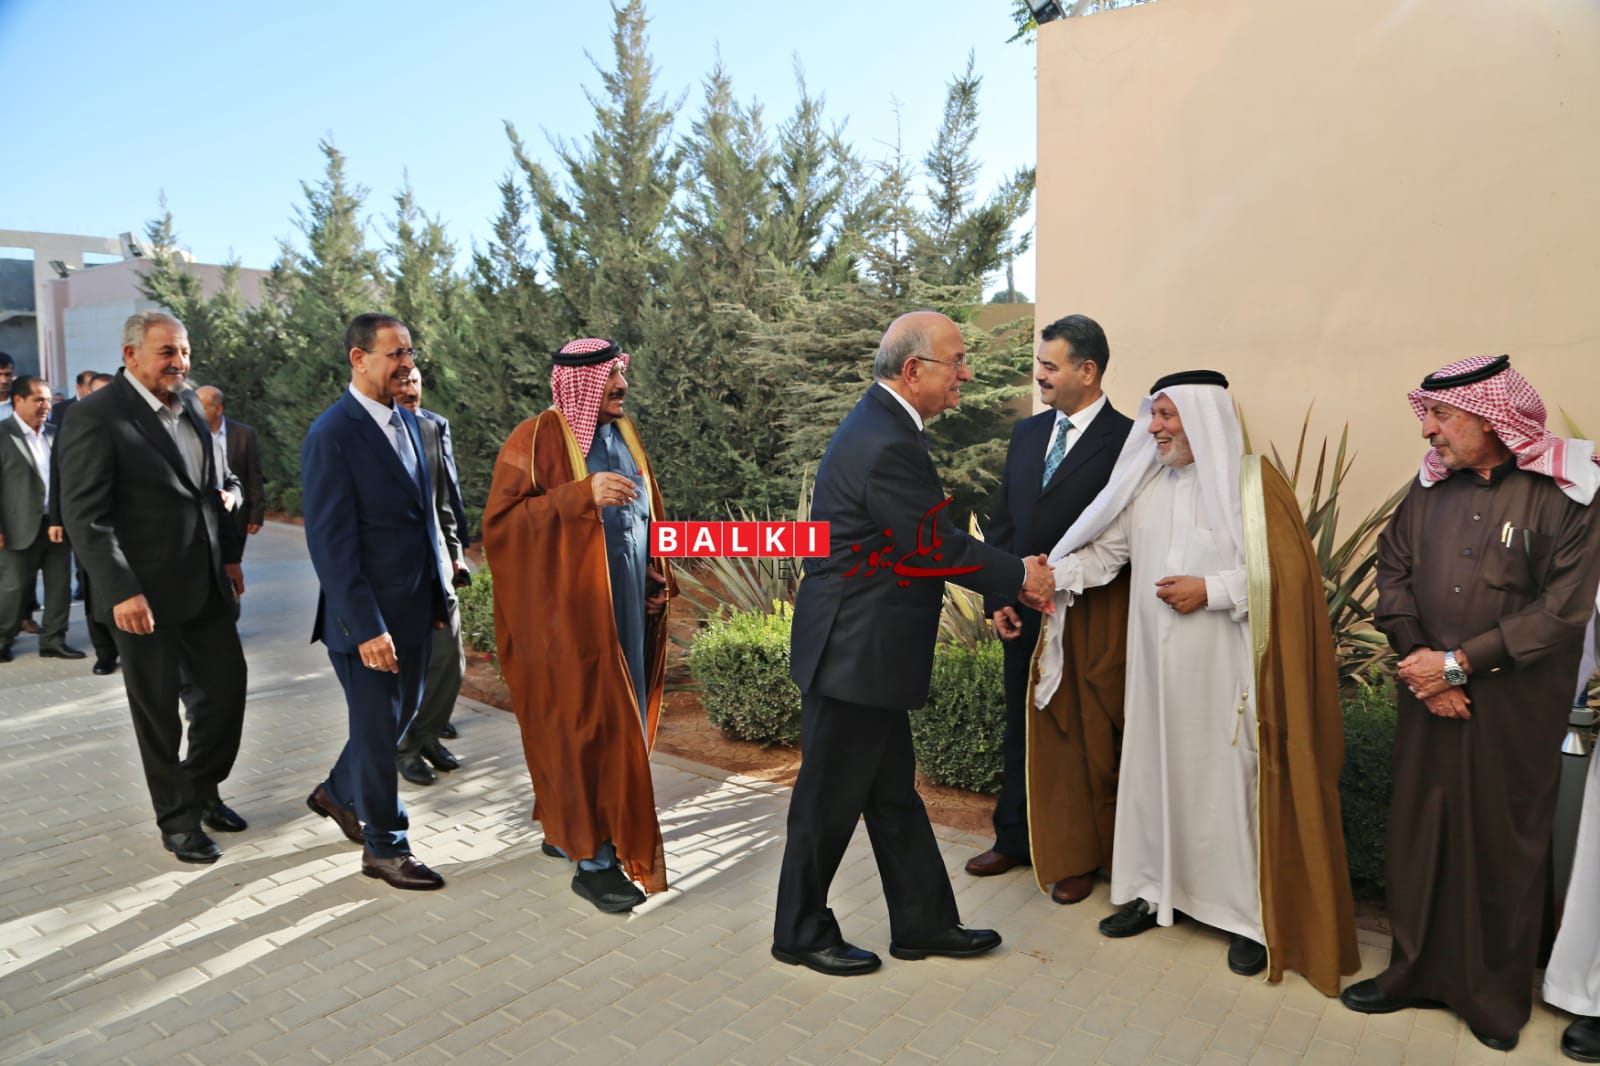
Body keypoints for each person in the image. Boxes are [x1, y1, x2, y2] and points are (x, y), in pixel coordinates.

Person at [1034, 369, 1358, 992]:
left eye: (1166, 416)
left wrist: (1211, 590)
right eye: (1152, 415)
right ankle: (1151, 890)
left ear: (1203, 418)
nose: (1153, 428)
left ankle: (1244, 917)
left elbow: (1287, 578)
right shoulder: (1148, 486)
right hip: (1154, 680)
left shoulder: (1251, 487)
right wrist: (1052, 576)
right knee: (1153, 776)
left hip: (1224, 681)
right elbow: (1106, 555)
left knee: (1225, 788)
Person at [771, 311, 1057, 977]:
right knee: (826, 802)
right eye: (955, 361)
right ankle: (799, 931)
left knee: (893, 795)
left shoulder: (885, 426)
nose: (966, 374)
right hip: (854, 652)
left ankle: (924, 923)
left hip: (864, 652)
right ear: (912, 370)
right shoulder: (887, 440)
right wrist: (1019, 574)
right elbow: (931, 547)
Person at [1342, 354, 1600, 1051]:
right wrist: (1422, 666)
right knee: (1419, 833)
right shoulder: (1428, 489)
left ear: (1491, 419)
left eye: (1441, 415)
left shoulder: (1566, 492)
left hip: (1513, 709)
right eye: (1426, 414)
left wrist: (1457, 667)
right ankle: (1410, 972)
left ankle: (1492, 996)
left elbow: (1562, 611)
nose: (1427, 430)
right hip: (1427, 697)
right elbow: (1391, 573)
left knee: (1500, 844)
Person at [482, 337, 673, 914]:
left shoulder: (625, 436)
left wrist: (653, 574)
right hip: (568, 624)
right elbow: (502, 526)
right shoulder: (534, 439)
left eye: (621, 376)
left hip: (624, 615)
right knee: (582, 729)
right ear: (581, 384)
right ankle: (592, 862)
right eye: (611, 378)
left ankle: (571, 828)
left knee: (618, 727)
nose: (622, 387)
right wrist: (579, 496)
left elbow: (643, 516)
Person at [58, 311, 249, 865]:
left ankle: (201, 787)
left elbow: (207, 490)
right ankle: (178, 820)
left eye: (184, 351)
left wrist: (229, 556)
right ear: (131, 354)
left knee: (226, 693)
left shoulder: (190, 403)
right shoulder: (95, 415)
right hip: (140, 596)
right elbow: (86, 516)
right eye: (167, 352)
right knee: (158, 715)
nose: (179, 362)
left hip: (205, 584)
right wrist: (121, 589)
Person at [963, 314, 1132, 906]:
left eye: (1049, 366)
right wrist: (1000, 598)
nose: (1039, 375)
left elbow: (1123, 537)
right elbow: (1004, 522)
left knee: (1081, 735)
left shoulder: (1128, 441)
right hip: (1024, 611)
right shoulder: (1028, 434)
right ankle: (1014, 837)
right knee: (1020, 726)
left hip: (1087, 614)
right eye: (1040, 364)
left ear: (1087, 371)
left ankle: (1079, 854)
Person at [300, 313, 453, 891]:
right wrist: (367, 626)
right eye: (395, 353)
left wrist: (437, 595)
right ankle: (385, 848)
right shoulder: (331, 434)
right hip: (365, 622)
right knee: (375, 730)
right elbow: (331, 546)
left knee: (396, 719)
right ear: (358, 358)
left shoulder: (412, 424)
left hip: (416, 608)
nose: (406, 363)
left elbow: (422, 520)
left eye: (410, 352)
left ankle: (337, 792)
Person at [392, 368, 467, 786]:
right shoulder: (370, 436)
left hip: (437, 564)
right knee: (407, 669)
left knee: (450, 661)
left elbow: (444, 501)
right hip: (396, 576)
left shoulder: (431, 428)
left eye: (415, 382)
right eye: (401, 382)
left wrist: (455, 555)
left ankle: (428, 735)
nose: (410, 390)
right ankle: (405, 749)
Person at [0, 376, 83, 662]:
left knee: (59, 587)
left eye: (48, 399)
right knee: (13, 588)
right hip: (15, 526)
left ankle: (53, 640)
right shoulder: (3, 434)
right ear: (18, 400)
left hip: (56, 525)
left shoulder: (55, 433)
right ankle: (3, 638)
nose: (46, 405)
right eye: (38, 400)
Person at [49, 371, 119, 672]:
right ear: (87, 394)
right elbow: (57, 473)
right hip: (86, 524)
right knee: (92, 587)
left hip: (124, 525)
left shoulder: (128, 424)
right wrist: (56, 518)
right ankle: (105, 651)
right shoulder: (73, 424)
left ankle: (126, 645)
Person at [195, 386, 265, 553]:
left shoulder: (244, 435)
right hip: (201, 517)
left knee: (232, 563)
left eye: (201, 407)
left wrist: (256, 513)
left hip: (234, 516)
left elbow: (254, 475)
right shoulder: (190, 433)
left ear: (218, 409)